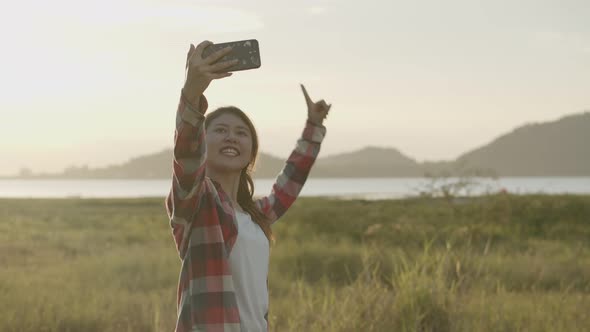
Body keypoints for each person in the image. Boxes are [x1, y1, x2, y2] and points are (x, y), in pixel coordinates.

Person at [165, 40, 331, 332]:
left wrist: (313, 127)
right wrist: (192, 91)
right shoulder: (197, 203)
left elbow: (289, 182)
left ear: (251, 151)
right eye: (220, 130)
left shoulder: (255, 215)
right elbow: (187, 156)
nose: (231, 137)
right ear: (204, 142)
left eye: (241, 133)